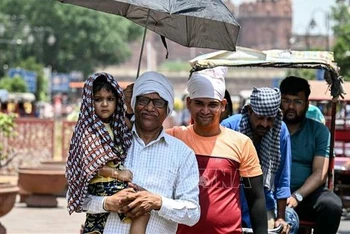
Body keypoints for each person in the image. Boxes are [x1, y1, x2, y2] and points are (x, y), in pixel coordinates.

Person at [82, 71, 200, 234]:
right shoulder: (108, 143)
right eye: (143, 100)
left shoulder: (182, 154)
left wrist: (157, 202)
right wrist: (106, 203)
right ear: (134, 103)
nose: (149, 107)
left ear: (167, 109)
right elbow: (75, 198)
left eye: (158, 102)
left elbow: (193, 213)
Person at [165, 67, 268, 234]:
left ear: (223, 106)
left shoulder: (241, 143)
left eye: (212, 104)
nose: (205, 111)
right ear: (189, 103)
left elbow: (256, 198)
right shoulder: (173, 138)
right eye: (199, 103)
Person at [66, 72, 149, 234]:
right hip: (101, 185)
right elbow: (94, 165)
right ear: (90, 102)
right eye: (98, 99)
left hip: (110, 184)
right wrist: (119, 174)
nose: (105, 104)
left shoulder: (113, 125)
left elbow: (125, 125)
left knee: (96, 224)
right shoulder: (88, 130)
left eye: (110, 99)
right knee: (141, 207)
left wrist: (129, 104)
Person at [221, 87, 298, 234]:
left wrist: (280, 218)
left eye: (270, 119)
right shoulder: (229, 127)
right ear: (249, 111)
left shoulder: (280, 131)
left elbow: (283, 178)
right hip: (230, 201)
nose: (265, 124)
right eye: (260, 117)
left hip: (263, 202)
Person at [279, 76, 343, 234]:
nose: (291, 106)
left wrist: (297, 196)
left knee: (331, 205)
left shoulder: (318, 131)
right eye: (286, 100)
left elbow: (319, 172)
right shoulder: (269, 127)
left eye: (298, 101)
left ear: (307, 104)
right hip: (272, 195)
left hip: (305, 196)